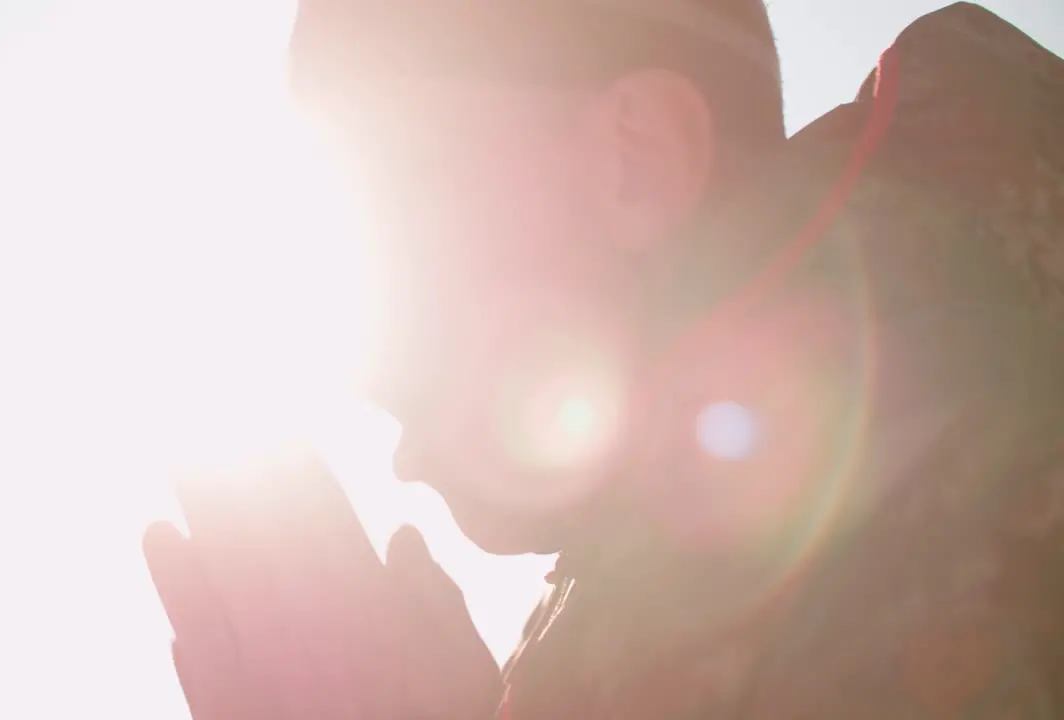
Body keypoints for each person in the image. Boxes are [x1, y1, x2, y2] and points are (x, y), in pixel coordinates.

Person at [144, 1, 1064, 716]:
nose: (366, 369)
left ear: (635, 158)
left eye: (380, 226)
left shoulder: (943, 509)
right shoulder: (731, 561)